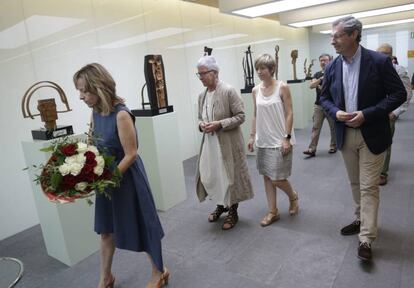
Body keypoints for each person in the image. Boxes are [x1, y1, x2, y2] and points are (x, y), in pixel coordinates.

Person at [73, 63, 168, 288]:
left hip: (127, 180)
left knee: (144, 226)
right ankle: (106, 278)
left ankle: (159, 272)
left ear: (98, 87)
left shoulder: (122, 115)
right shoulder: (95, 112)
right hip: (105, 180)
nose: (80, 96)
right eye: (79, 91)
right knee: (106, 231)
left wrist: (106, 178)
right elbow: (92, 145)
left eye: (83, 91)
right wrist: (82, 166)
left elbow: (131, 154)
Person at [320, 16, 406, 261]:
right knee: (355, 183)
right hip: (345, 133)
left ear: (354, 34)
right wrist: (335, 111)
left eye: (337, 35)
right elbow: (324, 98)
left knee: (369, 186)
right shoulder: (333, 66)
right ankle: (360, 219)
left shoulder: (378, 61)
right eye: (332, 36)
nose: (332, 40)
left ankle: (366, 238)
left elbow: (399, 93)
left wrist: (367, 114)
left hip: (372, 133)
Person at [195, 55, 254, 230]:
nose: (201, 78)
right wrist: (201, 125)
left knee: (229, 176)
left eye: (203, 74)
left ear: (214, 73)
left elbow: (241, 116)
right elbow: (199, 117)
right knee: (213, 175)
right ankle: (221, 205)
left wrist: (220, 124)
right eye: (198, 74)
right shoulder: (202, 95)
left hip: (227, 144)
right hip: (210, 144)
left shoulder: (228, 91)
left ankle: (233, 211)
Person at [247, 54, 299, 227]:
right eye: (258, 69)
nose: (260, 72)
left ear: (271, 69)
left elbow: (289, 113)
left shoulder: (282, 87)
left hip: (280, 140)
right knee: (267, 176)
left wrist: (287, 138)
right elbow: (255, 114)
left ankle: (293, 197)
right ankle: (272, 211)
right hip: (263, 140)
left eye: (263, 68)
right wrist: (252, 136)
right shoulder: (255, 90)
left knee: (277, 178)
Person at [376, 44, 412, 185]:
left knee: (385, 143)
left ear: (391, 55)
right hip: (373, 112)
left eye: (385, 53)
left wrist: (396, 112)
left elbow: (407, 94)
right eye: (379, 53)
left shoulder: (399, 71)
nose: (381, 56)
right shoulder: (374, 68)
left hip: (389, 113)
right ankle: (375, 168)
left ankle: (383, 172)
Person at [303, 53, 337, 157]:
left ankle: (333, 146)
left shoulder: (334, 73)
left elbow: (332, 89)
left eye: (325, 60)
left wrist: (320, 85)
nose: (323, 62)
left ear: (330, 61)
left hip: (331, 105)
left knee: (333, 127)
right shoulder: (317, 74)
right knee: (315, 127)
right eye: (321, 60)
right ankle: (312, 149)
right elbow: (312, 85)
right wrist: (321, 80)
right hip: (318, 106)